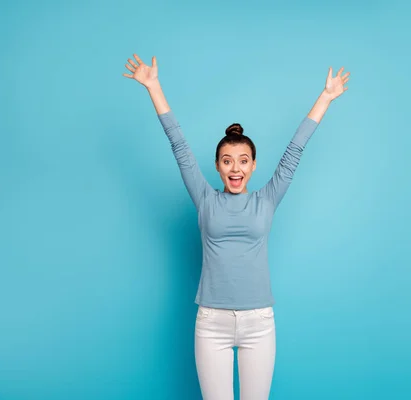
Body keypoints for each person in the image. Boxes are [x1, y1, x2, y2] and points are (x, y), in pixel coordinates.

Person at [123, 54, 350, 400]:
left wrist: (326, 98)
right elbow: (179, 146)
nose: (235, 168)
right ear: (217, 166)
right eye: (227, 161)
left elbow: (294, 152)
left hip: (259, 323)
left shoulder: (267, 200)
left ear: (253, 166)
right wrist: (153, 86)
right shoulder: (205, 199)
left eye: (243, 161)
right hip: (211, 323)